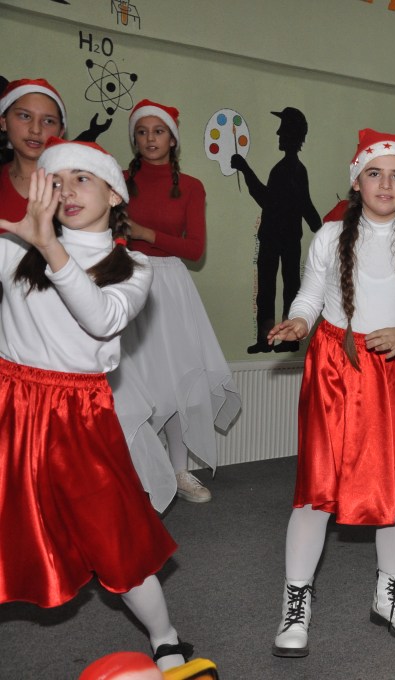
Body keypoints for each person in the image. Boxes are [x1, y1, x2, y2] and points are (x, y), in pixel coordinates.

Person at [0, 139, 192, 671]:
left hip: (76, 415)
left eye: (82, 179)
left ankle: (165, 637)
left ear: (114, 193)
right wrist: (33, 240)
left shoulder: (132, 266)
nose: (67, 191)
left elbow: (102, 319)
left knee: (112, 534)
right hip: (10, 402)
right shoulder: (17, 249)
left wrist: (50, 248)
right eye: (56, 182)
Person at [268, 129, 395, 657]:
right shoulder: (329, 236)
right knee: (318, 488)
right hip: (336, 369)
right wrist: (299, 322)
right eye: (375, 174)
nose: (386, 185)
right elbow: (309, 295)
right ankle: (296, 601)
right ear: (356, 181)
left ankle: (389, 594)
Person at [113, 99, 241, 506]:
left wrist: (146, 233)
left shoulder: (191, 186)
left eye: (158, 131)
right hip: (126, 282)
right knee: (133, 382)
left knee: (178, 380)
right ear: (134, 139)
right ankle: (135, 475)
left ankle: (179, 470)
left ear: (172, 139)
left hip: (170, 285)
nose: (150, 139)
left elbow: (195, 249)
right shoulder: (116, 181)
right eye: (142, 132)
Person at [230, 107, 321, 354]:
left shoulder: (288, 170)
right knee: (280, 287)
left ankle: (276, 338)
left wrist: (245, 169)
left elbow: (267, 199)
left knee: (278, 288)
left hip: (278, 238)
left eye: (283, 129)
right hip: (283, 238)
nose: (278, 133)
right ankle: (273, 338)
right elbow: (304, 204)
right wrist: (317, 225)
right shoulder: (293, 169)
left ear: (292, 134)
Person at [0, 79, 66, 223]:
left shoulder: (74, 187)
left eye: (48, 121)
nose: (35, 130)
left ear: (61, 132)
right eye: (25, 116)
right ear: (3, 122)